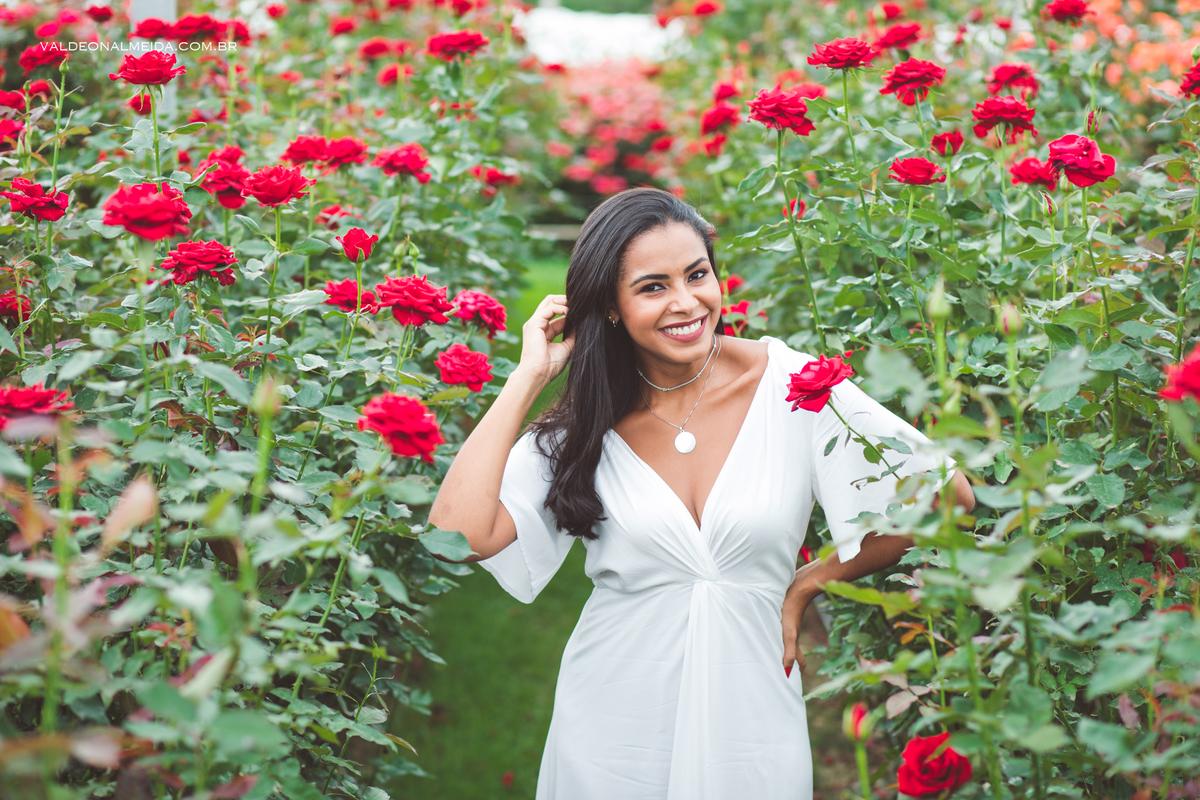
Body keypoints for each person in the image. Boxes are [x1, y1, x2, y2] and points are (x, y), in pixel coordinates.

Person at [428, 187, 975, 799]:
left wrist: (811, 579)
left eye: (697, 275)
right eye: (652, 286)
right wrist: (528, 376)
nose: (686, 303)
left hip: (752, 711)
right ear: (609, 305)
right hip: (613, 722)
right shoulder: (585, 421)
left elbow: (944, 494)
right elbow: (457, 536)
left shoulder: (792, 385)